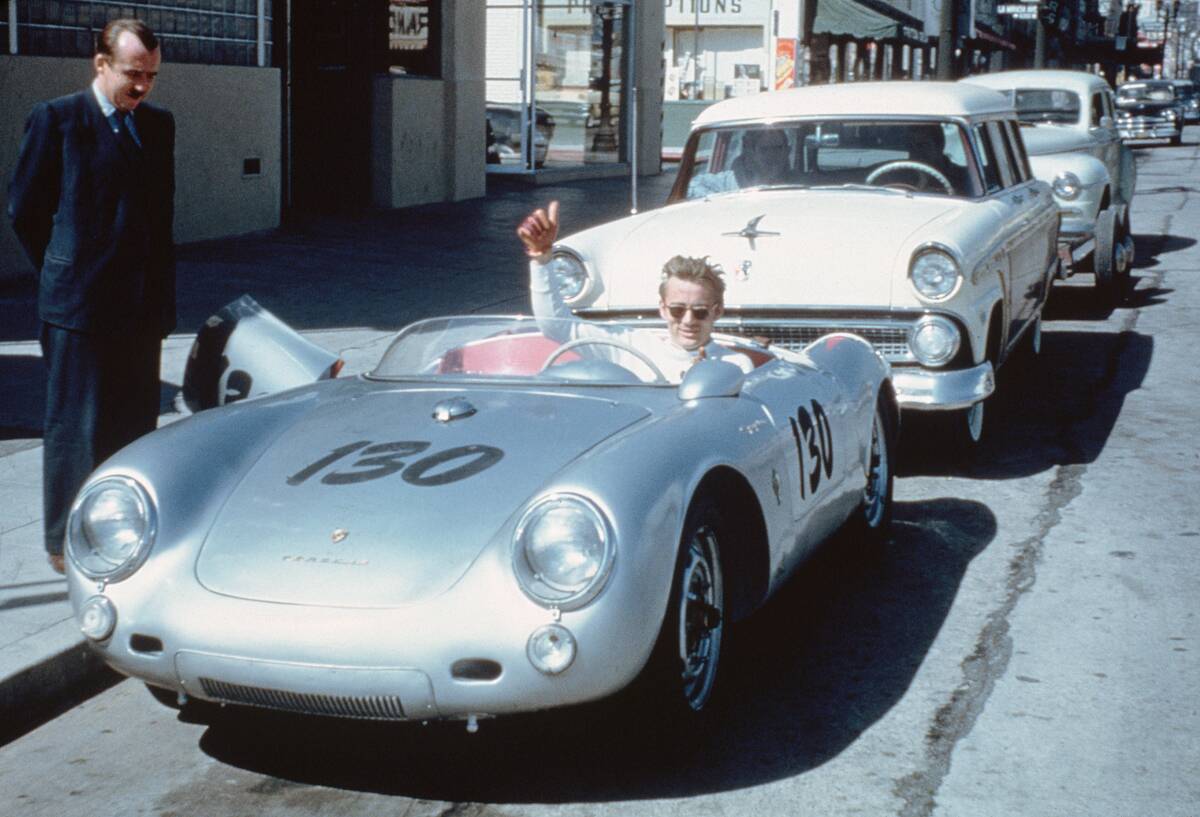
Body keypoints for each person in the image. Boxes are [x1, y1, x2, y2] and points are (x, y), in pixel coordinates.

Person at [7, 19, 176, 574]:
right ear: (100, 65)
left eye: (151, 75)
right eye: (133, 73)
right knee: (76, 429)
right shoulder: (58, 120)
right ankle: (65, 541)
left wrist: (160, 300)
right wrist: (63, 269)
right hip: (78, 309)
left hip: (139, 308)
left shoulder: (157, 126)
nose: (143, 86)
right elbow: (25, 211)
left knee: (133, 427)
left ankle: (122, 531)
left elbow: (159, 219)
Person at [516, 201, 754, 382]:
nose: (688, 321)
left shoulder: (736, 365)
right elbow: (556, 325)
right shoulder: (632, 345)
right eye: (677, 310)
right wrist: (542, 260)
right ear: (663, 308)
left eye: (700, 312)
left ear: (717, 311)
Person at [687, 127, 794, 197]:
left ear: (787, 152)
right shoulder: (728, 183)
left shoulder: (800, 181)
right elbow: (691, 185)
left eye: (778, 148)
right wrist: (721, 202)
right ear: (751, 153)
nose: (772, 156)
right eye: (765, 149)